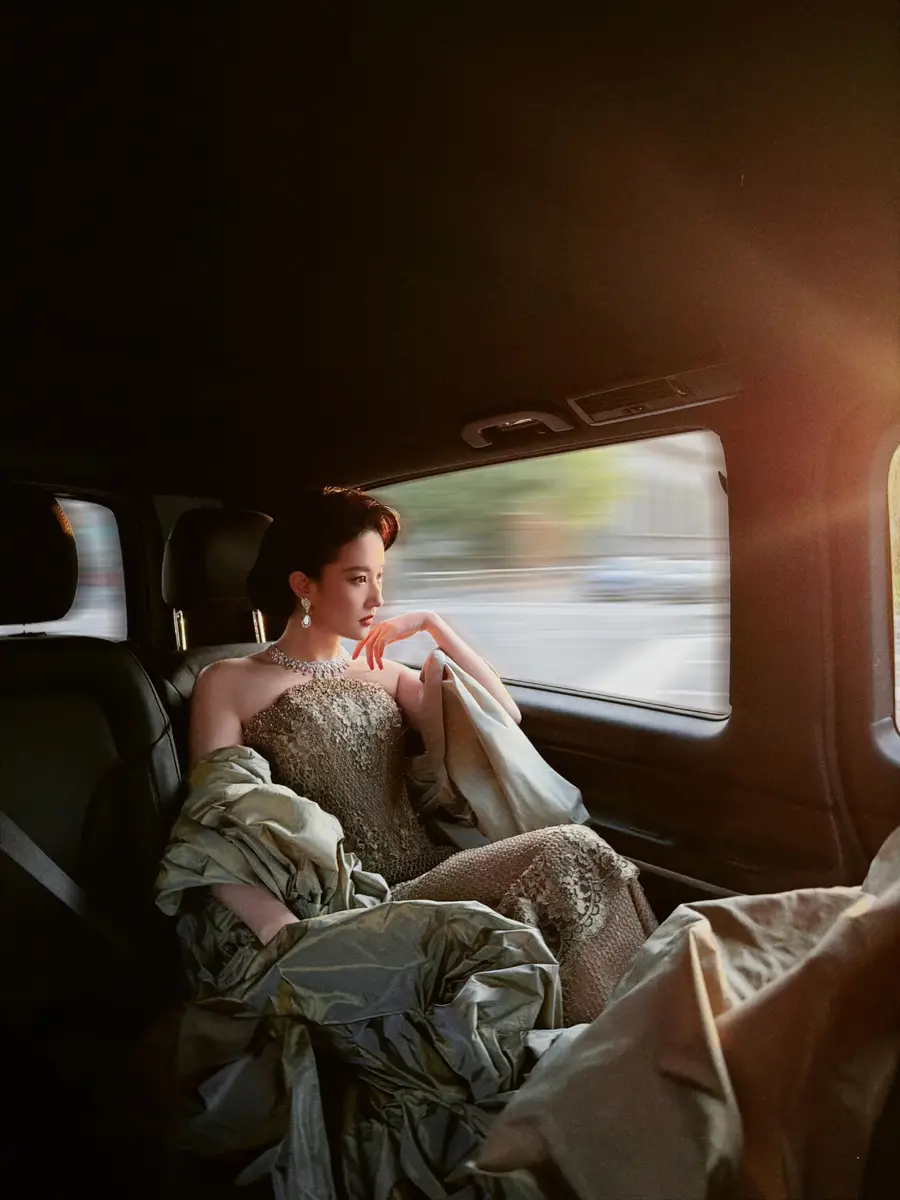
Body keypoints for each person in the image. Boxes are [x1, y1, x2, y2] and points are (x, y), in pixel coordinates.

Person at [189, 486, 655, 1023]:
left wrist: (434, 625)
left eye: (380, 577)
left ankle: (636, 1025)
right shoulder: (227, 683)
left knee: (577, 853)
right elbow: (214, 824)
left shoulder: (383, 674)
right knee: (566, 846)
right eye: (358, 579)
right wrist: (283, 933)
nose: (377, 599)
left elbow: (502, 715)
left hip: (429, 870)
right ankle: (627, 1035)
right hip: (346, 903)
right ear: (304, 586)